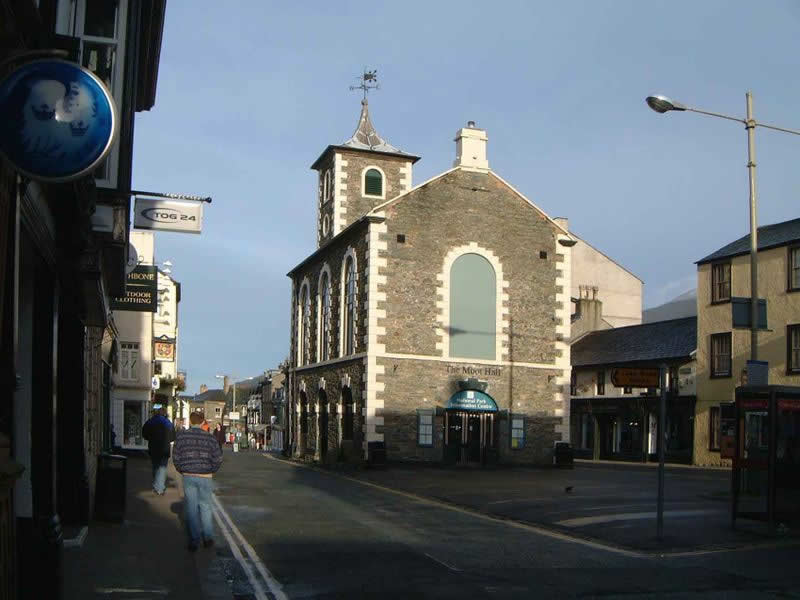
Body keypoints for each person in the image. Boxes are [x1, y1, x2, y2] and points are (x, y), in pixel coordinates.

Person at [173, 411, 223, 552]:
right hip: (206, 476)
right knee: (206, 506)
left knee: (191, 508)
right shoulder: (210, 438)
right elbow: (218, 458)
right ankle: (207, 537)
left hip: (188, 475)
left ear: (190, 421)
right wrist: (211, 469)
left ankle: (194, 540)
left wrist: (182, 469)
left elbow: (176, 456)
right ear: (202, 422)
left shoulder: (182, 436)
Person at [141, 407, 175, 495]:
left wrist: (151, 439)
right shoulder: (168, 423)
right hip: (165, 449)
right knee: (162, 468)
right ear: (165, 414)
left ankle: (156, 485)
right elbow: (173, 437)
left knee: (155, 466)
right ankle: (160, 488)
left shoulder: (150, 422)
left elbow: (144, 434)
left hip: (153, 448)